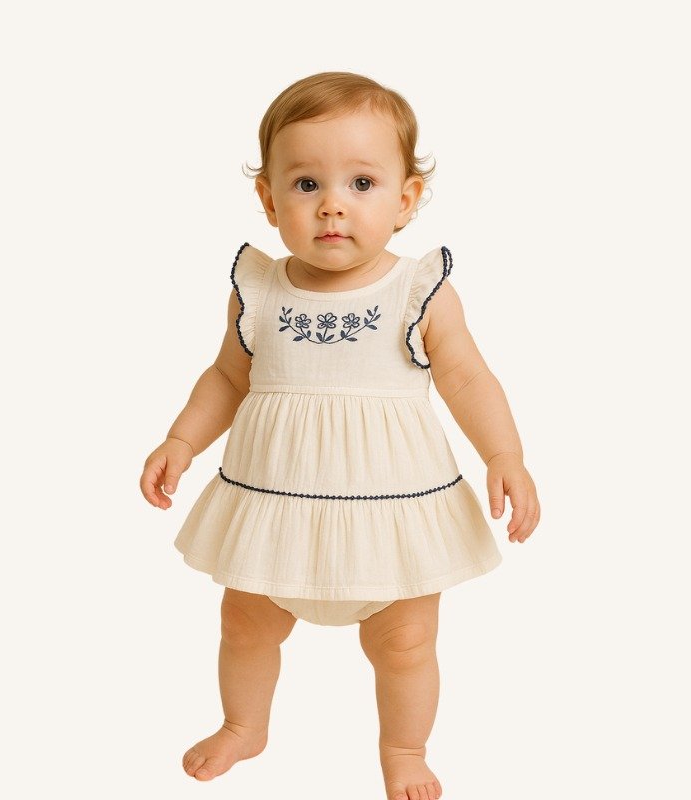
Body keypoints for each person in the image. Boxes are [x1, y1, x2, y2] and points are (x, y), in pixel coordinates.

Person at [140, 70, 540, 800]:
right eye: (305, 185)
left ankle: (404, 748)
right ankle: (243, 726)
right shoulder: (260, 289)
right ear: (269, 201)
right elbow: (227, 377)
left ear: (406, 200)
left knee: (406, 644)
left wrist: (504, 454)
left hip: (392, 515)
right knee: (244, 624)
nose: (332, 205)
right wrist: (181, 440)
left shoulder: (417, 291)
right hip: (275, 512)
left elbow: (468, 379)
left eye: (361, 183)